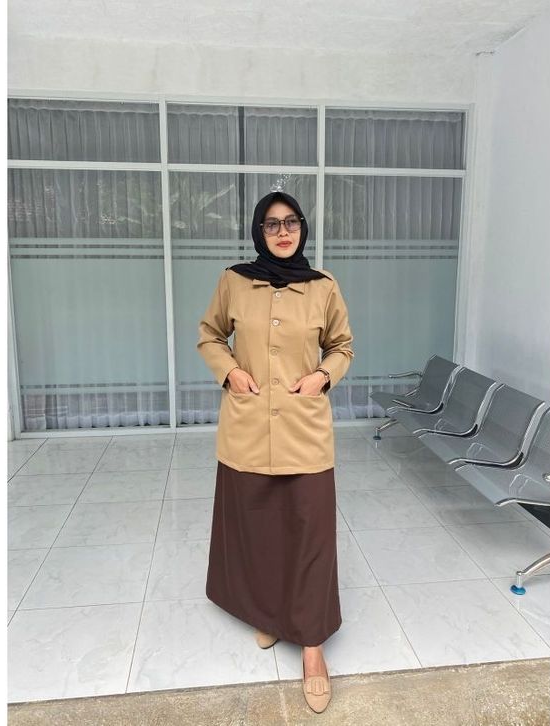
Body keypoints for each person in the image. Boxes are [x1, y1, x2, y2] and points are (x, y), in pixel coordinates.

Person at [197, 189, 354, 714]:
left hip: (304, 430)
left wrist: (321, 377)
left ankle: (311, 646)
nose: (282, 232)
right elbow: (210, 335)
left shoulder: (323, 286)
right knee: (259, 529)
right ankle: (268, 614)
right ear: (258, 231)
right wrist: (230, 372)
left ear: (303, 228)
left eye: (291, 223)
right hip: (248, 428)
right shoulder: (234, 281)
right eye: (271, 224)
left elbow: (342, 346)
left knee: (311, 533)